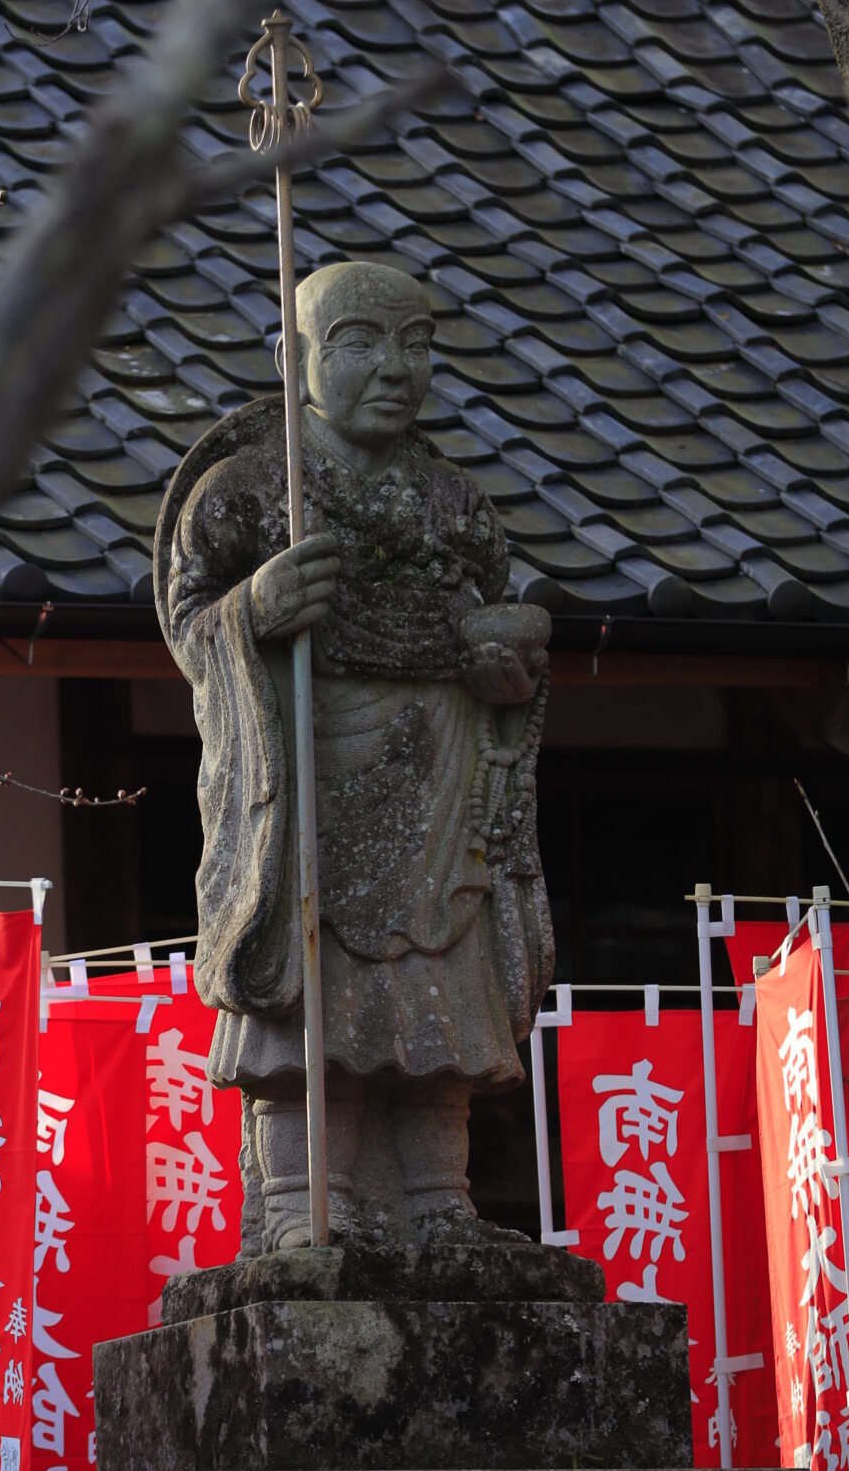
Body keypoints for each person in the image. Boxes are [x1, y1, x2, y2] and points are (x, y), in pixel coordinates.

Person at [154, 260, 553, 1247]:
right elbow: (192, 625)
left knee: (439, 980)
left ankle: (437, 1196)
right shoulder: (249, 494)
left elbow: (489, 627)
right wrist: (254, 610)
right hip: (307, 768)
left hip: (437, 772)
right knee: (309, 982)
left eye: (415, 344)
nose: (393, 367)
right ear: (292, 358)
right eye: (359, 343)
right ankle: (303, 1198)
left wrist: (503, 674)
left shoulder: (455, 505)